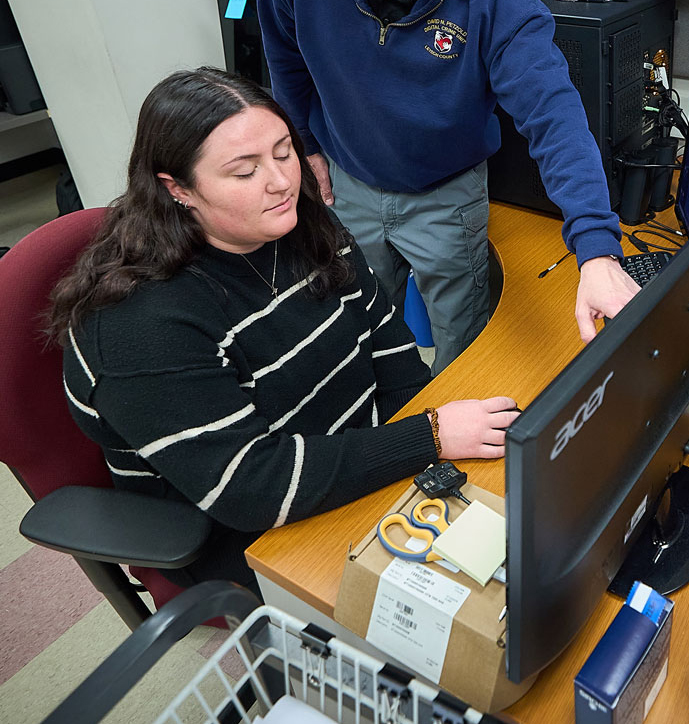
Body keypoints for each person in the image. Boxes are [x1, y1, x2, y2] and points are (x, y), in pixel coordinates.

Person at [49, 67, 519, 590]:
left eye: (283, 152)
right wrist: (428, 436)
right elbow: (253, 488)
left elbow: (390, 351)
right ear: (177, 188)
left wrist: (434, 471)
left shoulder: (303, 225)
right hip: (248, 532)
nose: (281, 182)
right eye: (244, 171)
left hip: (356, 463)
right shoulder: (136, 326)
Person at [257, 0, 639, 376]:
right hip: (347, 176)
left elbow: (553, 109)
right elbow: (284, 48)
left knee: (464, 346)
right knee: (363, 325)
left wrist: (597, 249)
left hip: (447, 190)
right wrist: (304, 144)